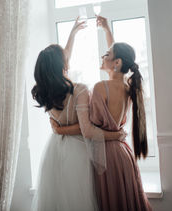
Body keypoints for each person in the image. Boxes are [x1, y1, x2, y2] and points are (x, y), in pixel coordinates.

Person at [52, 16, 152, 211]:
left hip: (106, 157)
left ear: (116, 63)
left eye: (106, 54)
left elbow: (87, 129)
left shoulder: (100, 87)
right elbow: (119, 57)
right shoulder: (128, 87)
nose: (102, 56)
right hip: (123, 153)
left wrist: (60, 129)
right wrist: (107, 30)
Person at [31, 18, 126, 211]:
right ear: (62, 64)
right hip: (77, 150)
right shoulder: (79, 90)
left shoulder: (45, 90)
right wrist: (116, 135)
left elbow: (60, 59)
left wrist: (72, 35)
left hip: (54, 149)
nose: (68, 57)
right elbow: (85, 129)